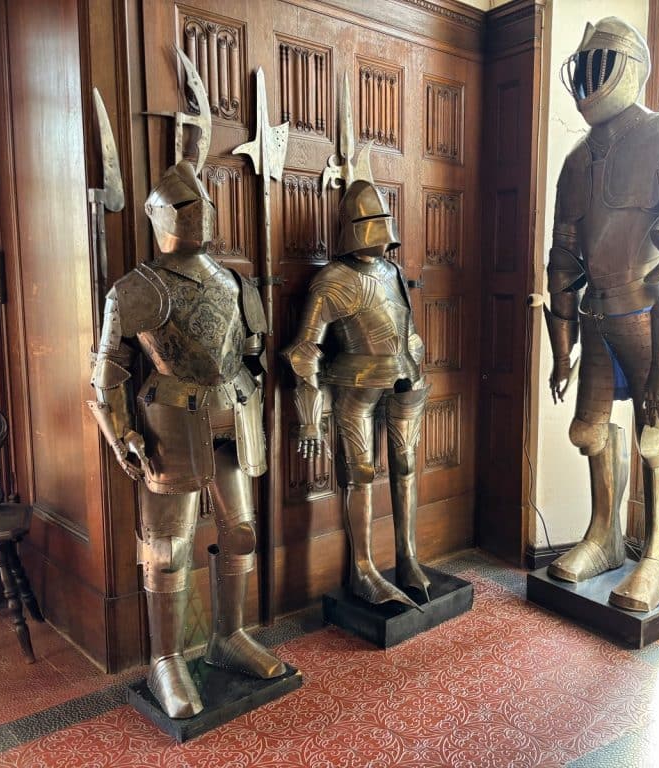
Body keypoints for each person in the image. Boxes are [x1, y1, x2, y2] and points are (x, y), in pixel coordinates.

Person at [544, 17, 659, 611]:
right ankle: (604, 536)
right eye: (585, 64)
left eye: (602, 62)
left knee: (657, 436)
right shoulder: (577, 159)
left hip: (652, 317)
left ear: (630, 69)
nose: (590, 76)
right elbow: (563, 261)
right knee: (590, 431)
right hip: (596, 317)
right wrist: (562, 351)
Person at [88, 159, 284, 718]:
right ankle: (166, 658)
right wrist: (122, 433)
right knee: (168, 549)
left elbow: (252, 355)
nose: (196, 212)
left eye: (201, 203)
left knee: (240, 532)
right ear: (158, 215)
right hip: (169, 423)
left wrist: (253, 411)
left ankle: (230, 635)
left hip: (232, 418)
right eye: (183, 205)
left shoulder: (237, 282)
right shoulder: (136, 288)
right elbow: (107, 372)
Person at [283, 179, 429, 611]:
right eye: (372, 219)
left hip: (405, 379)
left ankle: (408, 557)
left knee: (406, 465)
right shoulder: (332, 279)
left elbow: (408, 329)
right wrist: (309, 420)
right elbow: (304, 351)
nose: (381, 229)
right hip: (356, 384)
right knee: (361, 472)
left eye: (384, 217)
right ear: (352, 226)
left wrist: (416, 360)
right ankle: (362, 568)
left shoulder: (393, 272)